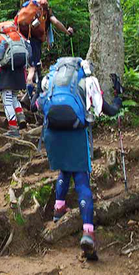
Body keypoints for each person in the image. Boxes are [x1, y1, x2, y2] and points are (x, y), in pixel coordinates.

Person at [34, 57, 122, 261]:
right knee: (81, 181)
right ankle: (88, 232)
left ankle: (58, 208)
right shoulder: (87, 80)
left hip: (53, 135)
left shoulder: (50, 79)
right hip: (76, 134)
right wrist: (118, 98)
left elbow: (35, 105)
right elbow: (108, 110)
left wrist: (36, 89)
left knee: (64, 169)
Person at [14, 0, 74, 100]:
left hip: (23, 41)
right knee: (32, 69)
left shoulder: (30, 13)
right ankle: (29, 97)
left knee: (34, 67)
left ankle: (32, 93)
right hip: (35, 43)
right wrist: (67, 32)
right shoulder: (46, 13)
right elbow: (56, 22)